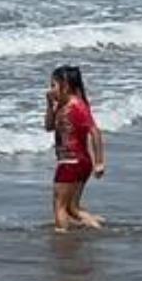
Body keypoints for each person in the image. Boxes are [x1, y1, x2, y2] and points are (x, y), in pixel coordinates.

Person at [44, 66, 106, 230]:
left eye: (53, 85)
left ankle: (61, 238)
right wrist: (49, 105)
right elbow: (49, 127)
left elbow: (95, 132)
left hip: (72, 161)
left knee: (60, 206)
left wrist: (99, 162)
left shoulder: (77, 106)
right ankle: (97, 227)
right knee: (72, 208)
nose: (51, 90)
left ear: (66, 85)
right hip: (75, 161)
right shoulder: (61, 105)